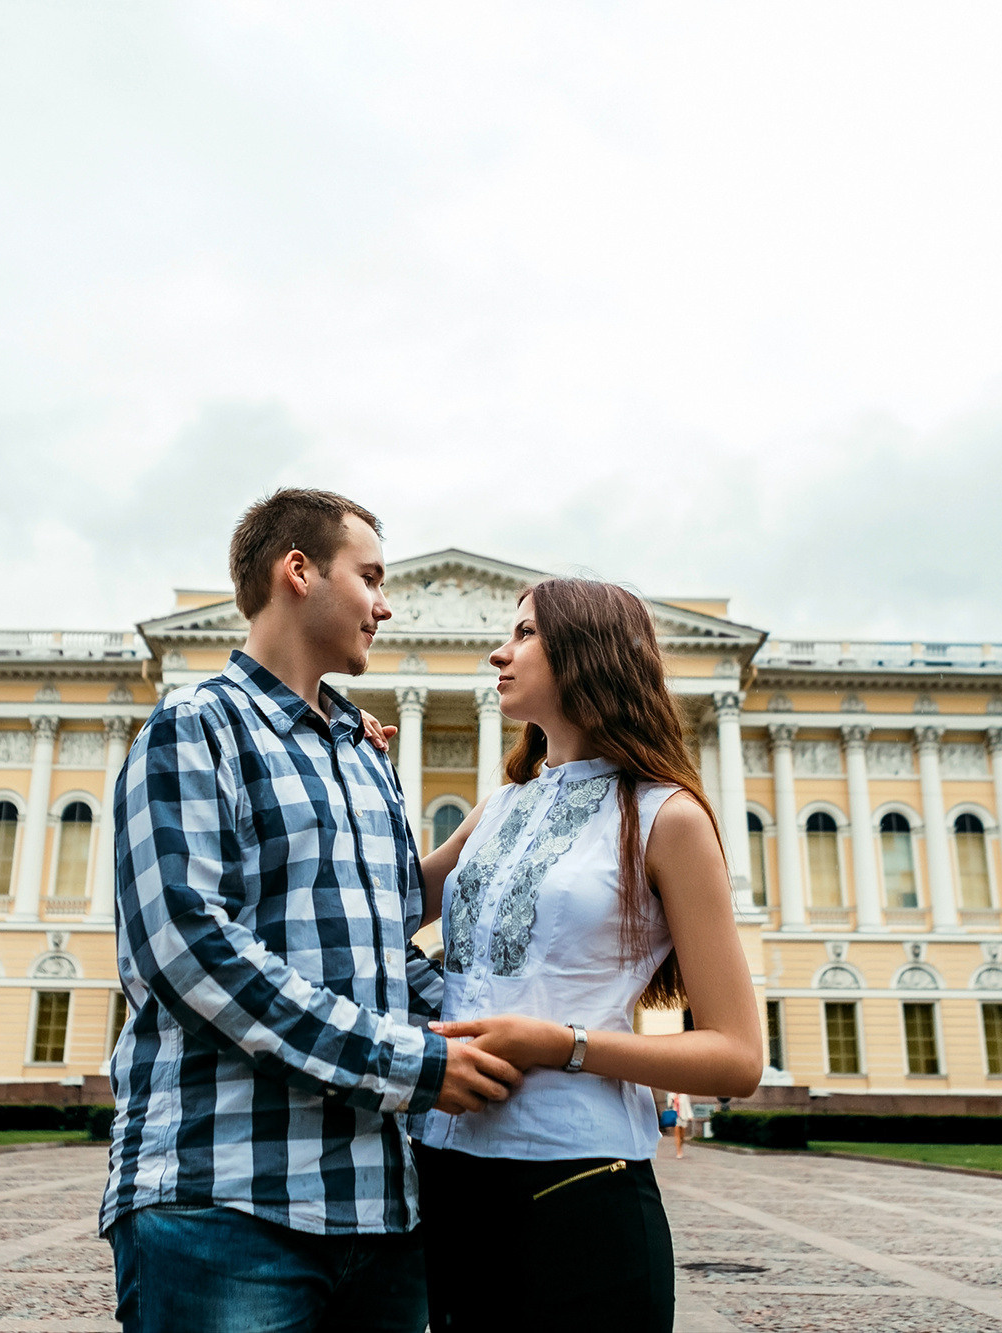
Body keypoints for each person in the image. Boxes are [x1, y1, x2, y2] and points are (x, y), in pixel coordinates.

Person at [98, 488, 523, 1333]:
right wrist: (416, 1064)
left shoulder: (363, 759)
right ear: (299, 571)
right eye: (369, 577)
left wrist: (535, 1036)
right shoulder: (194, 729)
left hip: (381, 1216)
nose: (386, 602)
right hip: (224, 1206)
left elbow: (385, 944)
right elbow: (191, 950)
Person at [410, 577, 765, 1333]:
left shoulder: (667, 817)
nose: (500, 651)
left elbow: (737, 1055)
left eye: (527, 633)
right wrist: (349, 766)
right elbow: (388, 903)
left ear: (586, 654)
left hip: (578, 1189)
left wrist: (560, 1044)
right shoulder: (499, 805)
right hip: (442, 1174)